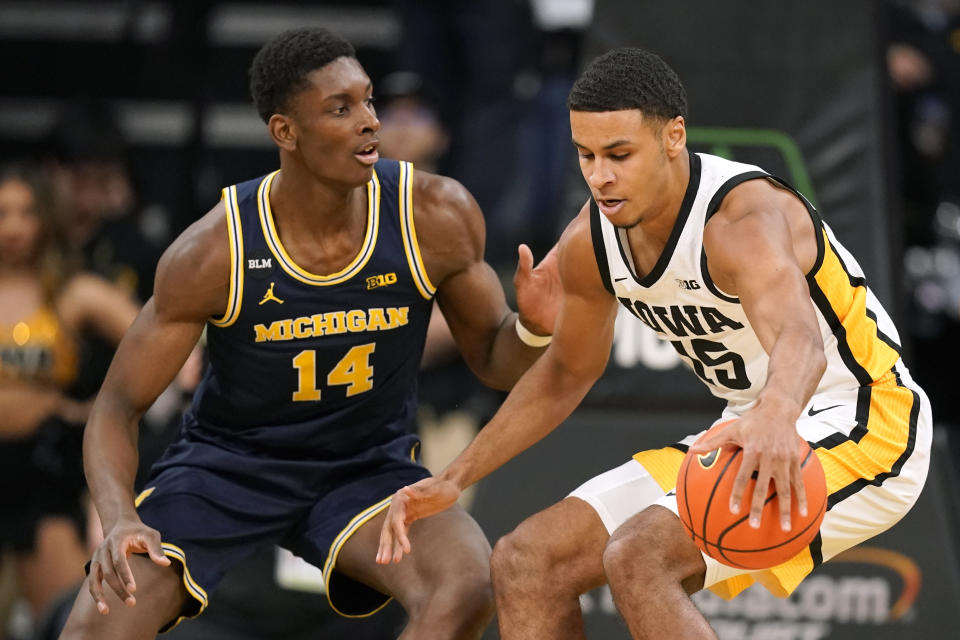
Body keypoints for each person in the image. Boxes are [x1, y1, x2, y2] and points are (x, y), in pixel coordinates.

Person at [378, 47, 933, 639]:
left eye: (619, 154)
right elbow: (566, 373)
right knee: (527, 560)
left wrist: (776, 413)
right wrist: (456, 475)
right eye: (586, 156)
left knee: (640, 556)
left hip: (866, 418)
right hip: (748, 423)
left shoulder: (741, 220)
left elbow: (801, 339)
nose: (600, 176)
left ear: (674, 137)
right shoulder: (592, 239)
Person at [56, 27, 560, 640]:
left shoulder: (434, 215)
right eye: (340, 109)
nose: (370, 122)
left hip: (366, 467)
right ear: (285, 132)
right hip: (228, 468)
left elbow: (493, 360)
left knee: (470, 583)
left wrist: (532, 328)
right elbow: (115, 407)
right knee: (94, 625)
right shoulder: (215, 249)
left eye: (369, 101)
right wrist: (117, 520)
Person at [0, 162, 138, 621]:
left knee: (71, 621)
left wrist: (107, 412)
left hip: (43, 477)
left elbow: (160, 338)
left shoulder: (71, 293)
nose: (14, 227)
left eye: (27, 213)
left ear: (47, 220)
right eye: (3, 213)